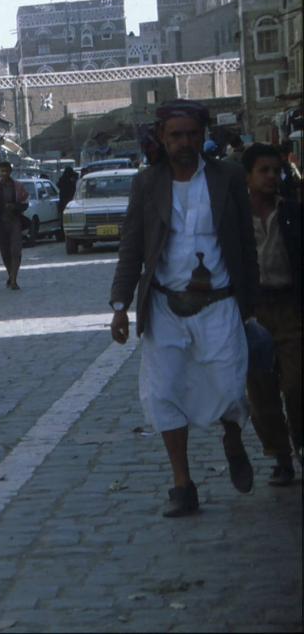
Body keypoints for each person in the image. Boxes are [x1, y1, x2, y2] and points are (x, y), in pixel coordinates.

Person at [109, 99, 260, 518]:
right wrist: (120, 305)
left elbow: (246, 246)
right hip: (165, 305)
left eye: (192, 134)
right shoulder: (147, 184)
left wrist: (252, 303)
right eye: (176, 135)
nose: (184, 142)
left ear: (203, 135)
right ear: (161, 137)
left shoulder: (227, 177)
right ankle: (182, 484)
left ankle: (233, 438)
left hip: (221, 304)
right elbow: (131, 247)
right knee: (163, 394)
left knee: (230, 387)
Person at [242, 143, 302, 485]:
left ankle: (301, 443)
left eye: (275, 171)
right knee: (262, 392)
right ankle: (280, 456)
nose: (270, 177)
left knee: (296, 385)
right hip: (254, 312)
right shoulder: (236, 219)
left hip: (289, 309)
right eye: (262, 171)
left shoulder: (292, 213)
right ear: (248, 176)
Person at [0, 161, 29, 290]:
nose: (4, 173)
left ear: (10, 171)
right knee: (5, 252)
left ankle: (14, 279)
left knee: (16, 250)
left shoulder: (18, 186)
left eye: (6, 171)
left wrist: (15, 206)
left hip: (14, 222)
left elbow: (25, 202)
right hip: (0, 223)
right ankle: (11, 275)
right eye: (2, 171)